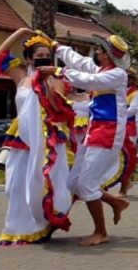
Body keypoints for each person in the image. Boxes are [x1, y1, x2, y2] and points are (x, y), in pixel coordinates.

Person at [43, 34, 132, 246]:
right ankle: (115, 202)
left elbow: (89, 81)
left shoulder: (118, 74)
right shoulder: (101, 69)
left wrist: (58, 71)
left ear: (107, 55)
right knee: (73, 183)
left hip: (108, 133)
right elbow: (79, 61)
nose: (96, 52)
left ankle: (101, 232)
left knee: (85, 184)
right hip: (94, 131)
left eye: (100, 50)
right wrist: (55, 46)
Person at [0, 29, 73, 245]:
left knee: (40, 185)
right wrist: (21, 32)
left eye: (47, 56)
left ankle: (42, 225)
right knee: (15, 186)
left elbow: (58, 109)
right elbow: (0, 53)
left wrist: (45, 83)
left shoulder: (56, 81)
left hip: (47, 141)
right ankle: (18, 228)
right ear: (28, 59)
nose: (43, 59)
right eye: (39, 56)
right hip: (21, 140)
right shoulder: (21, 78)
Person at [119, 67, 138, 196]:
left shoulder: (136, 93)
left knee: (127, 156)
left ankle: (125, 183)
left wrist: (118, 115)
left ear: (132, 80)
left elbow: (133, 109)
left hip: (130, 126)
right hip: (117, 125)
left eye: (127, 78)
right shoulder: (118, 92)